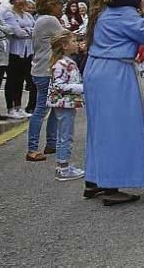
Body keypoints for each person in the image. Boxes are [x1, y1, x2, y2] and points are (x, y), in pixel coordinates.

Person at [83, 0, 144, 206]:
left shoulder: (101, 13)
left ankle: (95, 178)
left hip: (96, 68)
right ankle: (110, 184)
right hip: (115, 72)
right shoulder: (125, 14)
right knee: (117, 128)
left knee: (100, 127)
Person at [26, 0, 68, 162]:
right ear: (51, 5)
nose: (62, 7)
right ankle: (32, 148)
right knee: (41, 109)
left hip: (42, 69)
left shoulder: (41, 20)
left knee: (54, 107)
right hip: (46, 71)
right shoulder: (50, 20)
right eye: (59, 4)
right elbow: (67, 38)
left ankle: (51, 143)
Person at [47, 31, 85, 181]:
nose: (77, 43)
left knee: (65, 134)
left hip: (67, 103)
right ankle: (63, 167)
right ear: (64, 45)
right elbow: (59, 85)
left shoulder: (68, 61)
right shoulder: (61, 64)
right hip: (63, 104)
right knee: (65, 135)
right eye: (74, 41)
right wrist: (81, 88)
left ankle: (64, 165)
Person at [1, 0, 34, 118]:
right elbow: (17, 32)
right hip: (14, 52)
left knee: (21, 81)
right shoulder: (9, 14)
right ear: (13, 0)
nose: (20, 1)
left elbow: (34, 30)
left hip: (27, 52)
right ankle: (10, 108)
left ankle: (18, 106)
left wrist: (26, 30)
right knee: (12, 80)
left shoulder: (27, 15)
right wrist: (27, 31)